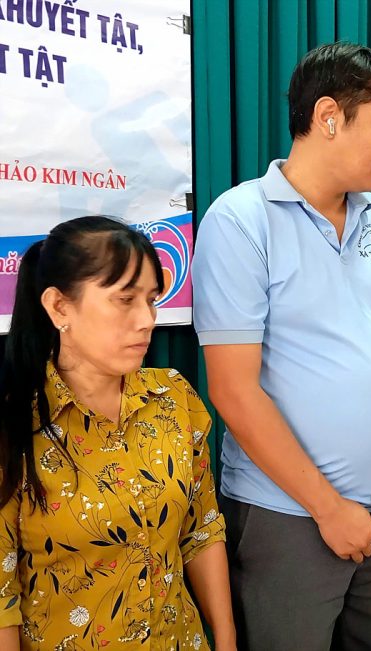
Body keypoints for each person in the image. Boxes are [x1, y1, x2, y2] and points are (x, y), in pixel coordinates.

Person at [191, 42, 371, 651]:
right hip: (287, 516)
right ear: (328, 117)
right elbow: (233, 390)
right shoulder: (240, 220)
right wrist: (327, 508)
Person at [0, 216, 234, 651]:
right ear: (59, 307)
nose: (146, 320)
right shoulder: (15, 426)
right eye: (124, 300)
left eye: (151, 300)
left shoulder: (173, 398)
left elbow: (201, 530)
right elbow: (2, 595)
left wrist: (226, 640)